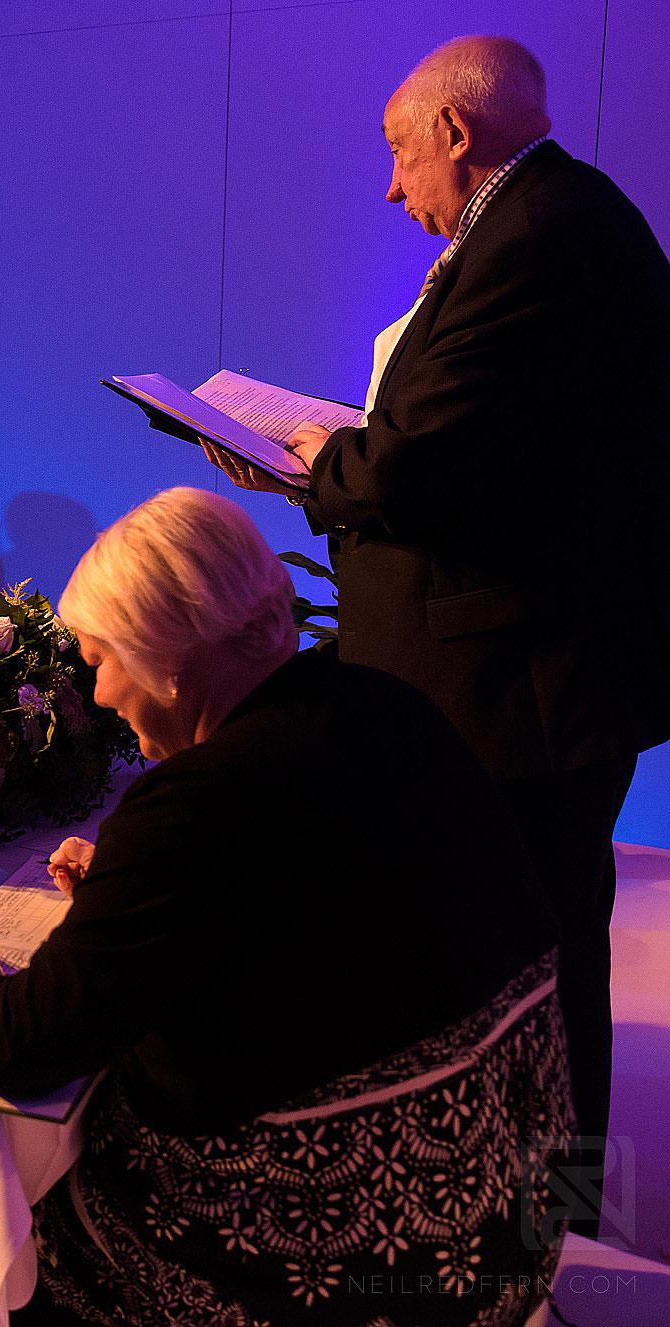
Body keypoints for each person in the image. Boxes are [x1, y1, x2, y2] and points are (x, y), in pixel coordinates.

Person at [0, 487, 572, 1326]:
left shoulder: (195, 804)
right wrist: (140, 894)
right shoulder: (389, 704)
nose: (95, 697)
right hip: (523, 1202)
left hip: (372, 1250)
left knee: (20, 1241)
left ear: (166, 651)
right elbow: (316, 913)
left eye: (98, 661)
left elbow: (19, 1046)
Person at [205, 37, 670, 1229]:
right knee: (523, 951)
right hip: (517, 677)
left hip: (520, 688)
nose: (389, 186)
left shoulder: (535, 240)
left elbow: (417, 466)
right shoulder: (548, 224)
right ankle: (511, 1206)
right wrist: (341, 456)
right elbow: (474, 448)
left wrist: (306, 469)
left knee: (539, 964)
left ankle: (548, 1225)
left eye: (395, 153)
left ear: (455, 135)